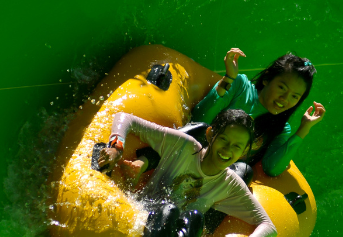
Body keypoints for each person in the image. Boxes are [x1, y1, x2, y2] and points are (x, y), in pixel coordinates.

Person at [97, 109, 277, 237]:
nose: (228, 150)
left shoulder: (230, 184)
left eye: (237, 146)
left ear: (244, 151)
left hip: (178, 236)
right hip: (147, 217)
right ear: (210, 135)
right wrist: (116, 146)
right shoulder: (183, 146)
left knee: (196, 217)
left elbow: (268, 225)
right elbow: (125, 118)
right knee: (169, 208)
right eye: (224, 141)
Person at [130, 47, 325, 183]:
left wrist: (303, 129)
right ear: (267, 79)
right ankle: (142, 163)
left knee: (244, 171)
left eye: (295, 96)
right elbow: (201, 116)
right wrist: (228, 79)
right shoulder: (240, 86)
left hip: (217, 173)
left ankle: (203, 228)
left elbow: (271, 168)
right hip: (196, 148)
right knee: (200, 129)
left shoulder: (280, 128)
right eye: (282, 87)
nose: (285, 98)